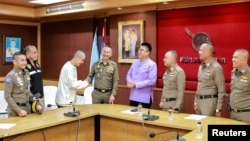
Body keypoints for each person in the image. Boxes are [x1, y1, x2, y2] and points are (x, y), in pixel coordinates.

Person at [193, 43, 226, 117]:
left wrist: (218, 109)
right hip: (199, 102)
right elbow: (199, 84)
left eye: (201, 50)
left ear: (208, 53)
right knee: (198, 126)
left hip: (209, 103)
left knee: (207, 126)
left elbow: (222, 90)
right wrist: (196, 100)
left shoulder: (216, 68)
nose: (199, 52)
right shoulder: (201, 66)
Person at [126, 42, 157, 108]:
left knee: (142, 117)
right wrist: (130, 82)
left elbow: (152, 81)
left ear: (148, 52)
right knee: (131, 116)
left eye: (142, 50)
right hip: (133, 96)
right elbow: (128, 74)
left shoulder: (152, 64)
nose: (139, 51)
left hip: (144, 98)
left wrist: (136, 84)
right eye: (139, 49)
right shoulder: (135, 62)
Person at [4, 52, 34, 117]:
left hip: (27, 108)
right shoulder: (10, 76)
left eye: (25, 60)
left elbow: (27, 90)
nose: (25, 62)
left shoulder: (26, 73)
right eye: (22, 60)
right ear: (15, 62)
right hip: (15, 110)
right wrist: (19, 111)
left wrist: (33, 97)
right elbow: (7, 96)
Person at [229, 49, 250, 124]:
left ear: (244, 60)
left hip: (246, 114)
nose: (233, 59)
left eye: (236, 57)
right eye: (233, 57)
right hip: (233, 113)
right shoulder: (233, 72)